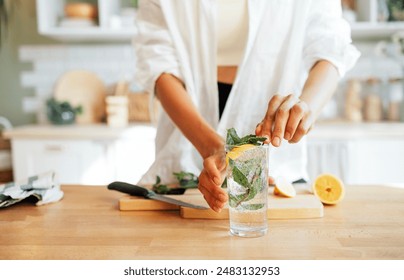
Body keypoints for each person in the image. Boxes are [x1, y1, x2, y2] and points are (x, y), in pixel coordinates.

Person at [133, 0, 360, 212]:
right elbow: (159, 62)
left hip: (277, 161)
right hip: (186, 140)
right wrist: (211, 147)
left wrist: (306, 106)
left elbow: (330, 47)